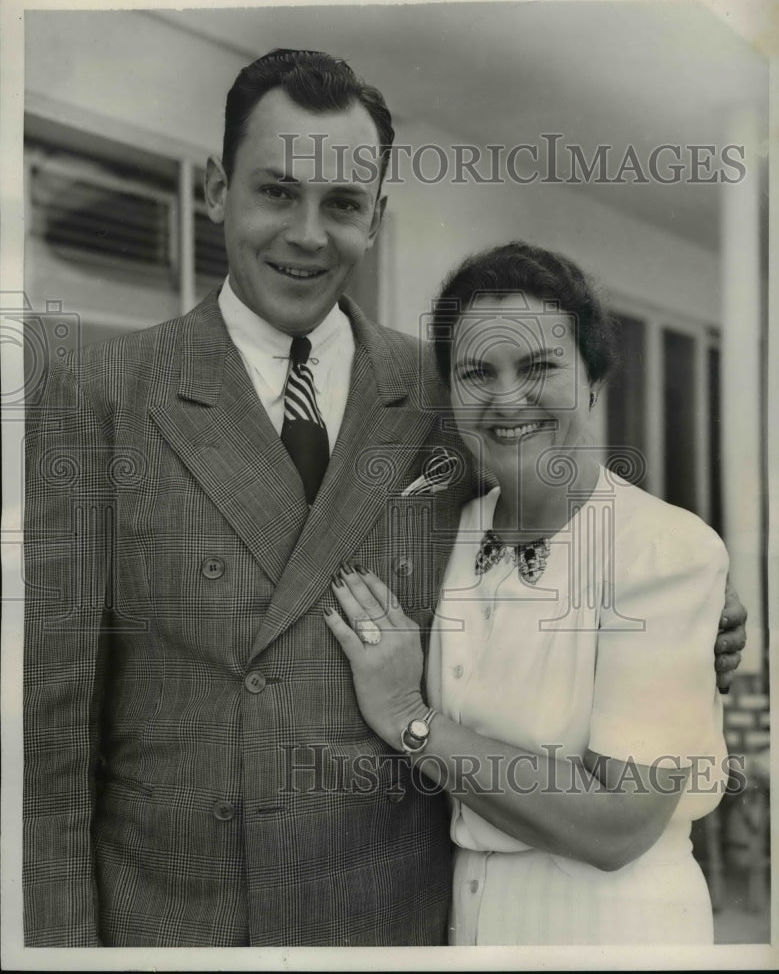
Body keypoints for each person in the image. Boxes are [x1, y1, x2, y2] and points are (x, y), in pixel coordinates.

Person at [23, 51, 745, 948]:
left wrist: (693, 603)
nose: (307, 235)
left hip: (396, 918)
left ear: (377, 217)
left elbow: (557, 509)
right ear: (216, 189)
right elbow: (45, 731)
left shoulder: (441, 389)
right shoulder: (101, 387)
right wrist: (58, 955)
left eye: (342, 205)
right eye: (276, 192)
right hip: (182, 921)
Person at [325, 241, 740, 945]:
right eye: (476, 372)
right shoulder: (447, 530)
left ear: (593, 381)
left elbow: (617, 825)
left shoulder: (663, 548)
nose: (507, 397)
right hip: (469, 912)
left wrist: (407, 716)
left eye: (540, 366)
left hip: (613, 926)